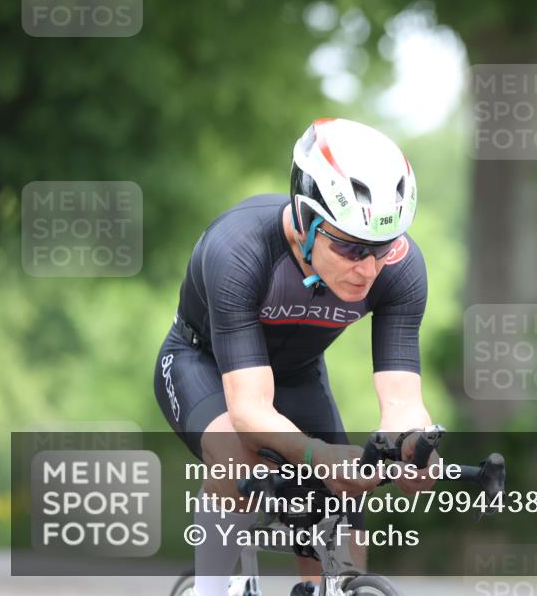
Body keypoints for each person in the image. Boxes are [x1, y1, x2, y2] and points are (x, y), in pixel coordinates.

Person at [153, 118, 436, 596]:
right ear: (305, 219)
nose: (367, 268)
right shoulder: (239, 250)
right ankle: (210, 588)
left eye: (382, 248)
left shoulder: (400, 269)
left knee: (341, 513)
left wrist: (412, 448)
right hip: (202, 365)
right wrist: (319, 455)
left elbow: (403, 401)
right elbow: (247, 409)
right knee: (236, 460)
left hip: (299, 375)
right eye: (349, 246)